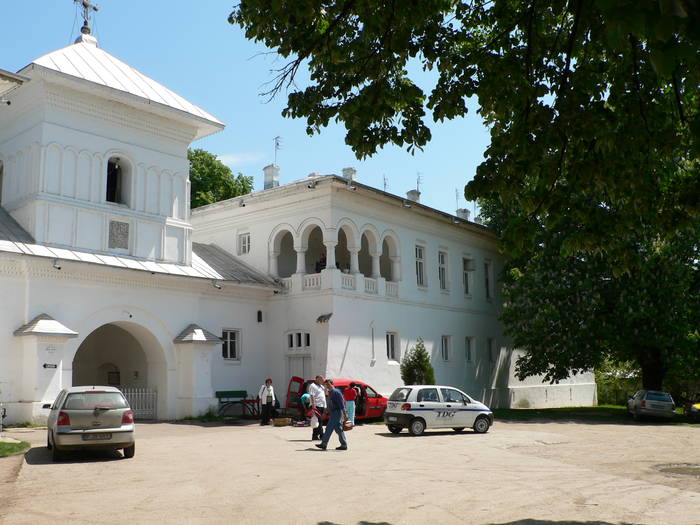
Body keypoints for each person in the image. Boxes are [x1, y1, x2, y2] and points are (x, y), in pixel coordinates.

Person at [316, 379, 348, 451]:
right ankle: (344, 444)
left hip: (337, 412)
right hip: (333, 412)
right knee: (338, 429)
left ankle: (324, 444)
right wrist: (325, 412)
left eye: (328, 384)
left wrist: (345, 413)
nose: (327, 386)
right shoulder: (330, 392)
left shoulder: (336, 392)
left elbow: (341, 403)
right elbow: (329, 403)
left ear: (332, 384)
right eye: (326, 385)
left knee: (329, 428)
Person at [308, 375, 327, 440]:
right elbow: (312, 395)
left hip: (322, 405)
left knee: (319, 421)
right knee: (319, 421)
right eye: (321, 379)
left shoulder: (321, 386)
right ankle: (321, 435)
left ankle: (316, 436)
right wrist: (314, 406)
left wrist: (325, 406)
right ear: (317, 379)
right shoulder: (312, 386)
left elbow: (324, 395)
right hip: (316, 406)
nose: (322, 381)